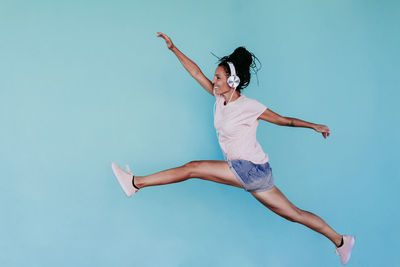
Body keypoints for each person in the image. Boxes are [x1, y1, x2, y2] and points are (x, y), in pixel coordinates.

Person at [111, 32, 355, 265]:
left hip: (251, 169)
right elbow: (196, 73)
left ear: (233, 80)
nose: (213, 81)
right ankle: (341, 241)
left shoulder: (249, 106)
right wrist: (174, 48)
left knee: (192, 168)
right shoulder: (220, 98)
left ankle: (135, 183)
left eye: (218, 77)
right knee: (294, 214)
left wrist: (314, 126)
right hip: (254, 173)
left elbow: (284, 120)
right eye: (215, 77)